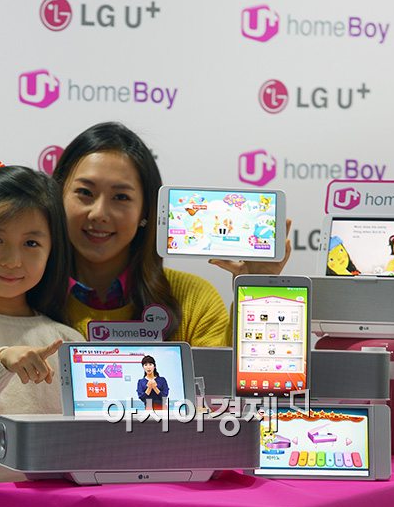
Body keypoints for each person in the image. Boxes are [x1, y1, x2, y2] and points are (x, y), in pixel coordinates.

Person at [53, 122, 291, 347]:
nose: (99, 213)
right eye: (85, 192)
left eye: (121, 197)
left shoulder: (193, 301)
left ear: (146, 210)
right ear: (57, 195)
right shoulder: (31, 294)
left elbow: (235, 375)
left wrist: (257, 289)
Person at [0, 162, 84, 507]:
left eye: (31, 243)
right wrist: (1, 363)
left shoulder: (67, 339)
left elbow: (92, 435)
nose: (12, 260)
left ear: (52, 250)